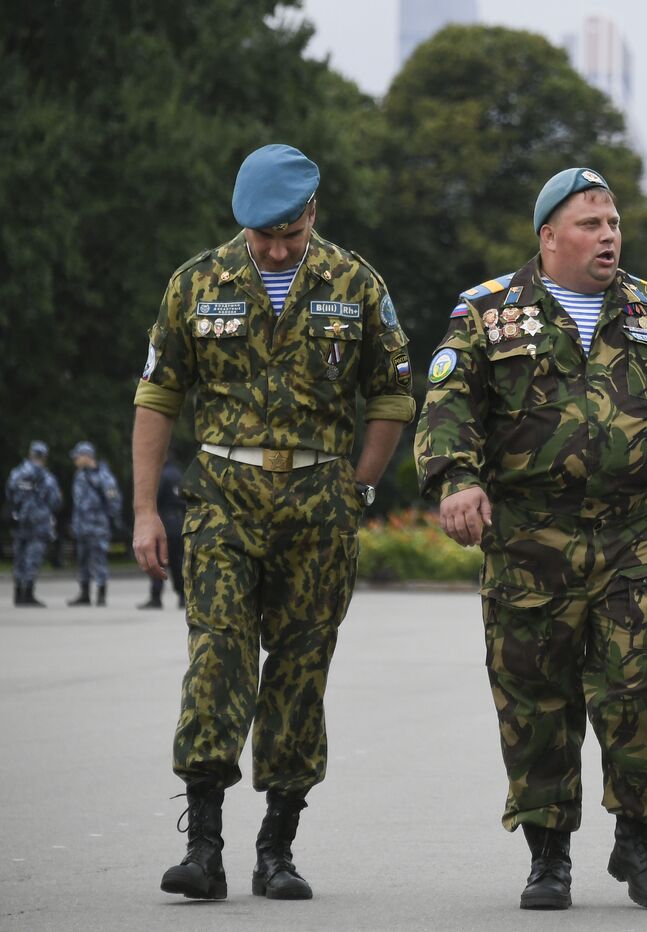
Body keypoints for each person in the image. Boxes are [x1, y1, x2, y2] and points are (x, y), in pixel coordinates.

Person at [415, 166, 647, 912]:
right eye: (590, 223)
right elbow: (447, 405)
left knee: (645, 690)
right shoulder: (487, 314)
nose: (608, 235)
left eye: (613, 222)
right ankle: (547, 854)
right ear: (549, 236)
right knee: (535, 701)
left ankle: (639, 838)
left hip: (632, 538)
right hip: (528, 541)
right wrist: (457, 480)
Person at [131, 144, 414, 902]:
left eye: (290, 232)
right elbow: (157, 398)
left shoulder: (354, 283)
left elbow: (391, 394)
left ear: (313, 213)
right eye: (265, 237)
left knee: (298, 670)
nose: (279, 248)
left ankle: (277, 848)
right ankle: (204, 845)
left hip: (319, 505)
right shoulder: (196, 283)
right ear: (242, 226)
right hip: (222, 497)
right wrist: (143, 512)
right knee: (217, 658)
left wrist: (359, 486)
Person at [5, 441, 62, 607]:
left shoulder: (17, 473)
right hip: (39, 523)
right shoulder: (47, 477)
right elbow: (55, 501)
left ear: (30, 454)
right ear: (44, 457)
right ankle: (28, 594)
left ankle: (17, 593)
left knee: (19, 557)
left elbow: (10, 493)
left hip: (20, 522)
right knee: (33, 558)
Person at [66, 441, 122, 607]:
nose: (75, 460)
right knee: (82, 560)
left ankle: (101, 594)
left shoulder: (104, 476)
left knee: (99, 561)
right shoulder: (79, 476)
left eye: (78, 456)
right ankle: (84, 594)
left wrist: (107, 519)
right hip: (82, 527)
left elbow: (114, 501)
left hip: (98, 527)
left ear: (87, 456)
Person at [138, 454, 188, 609]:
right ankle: (182, 597)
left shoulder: (161, 476)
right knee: (178, 562)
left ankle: (155, 597)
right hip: (179, 522)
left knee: (158, 560)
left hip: (164, 522)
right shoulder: (179, 474)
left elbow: (154, 499)